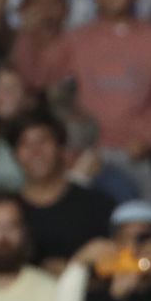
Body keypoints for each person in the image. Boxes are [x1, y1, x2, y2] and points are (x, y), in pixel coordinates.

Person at [40, 0, 151, 174]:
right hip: (86, 151)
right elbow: (41, 75)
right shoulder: (77, 38)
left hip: (135, 151)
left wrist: (148, 139)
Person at [13, 112, 116, 272]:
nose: (35, 151)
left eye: (43, 141)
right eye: (25, 143)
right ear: (15, 153)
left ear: (60, 147)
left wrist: (73, 268)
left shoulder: (97, 205)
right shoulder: (6, 211)